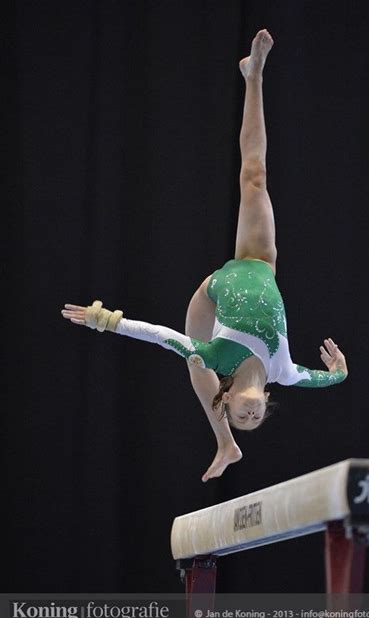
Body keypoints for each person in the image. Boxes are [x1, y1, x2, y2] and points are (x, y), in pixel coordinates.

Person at [61, 29, 348, 483]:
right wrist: (338, 369)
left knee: (194, 358)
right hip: (258, 262)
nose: (251, 414)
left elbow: (159, 335)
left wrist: (107, 320)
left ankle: (222, 441)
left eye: (239, 417)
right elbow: (333, 380)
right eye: (254, 420)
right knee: (255, 175)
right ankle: (254, 77)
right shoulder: (286, 372)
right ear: (263, 406)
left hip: (210, 294)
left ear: (227, 401)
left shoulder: (219, 357)